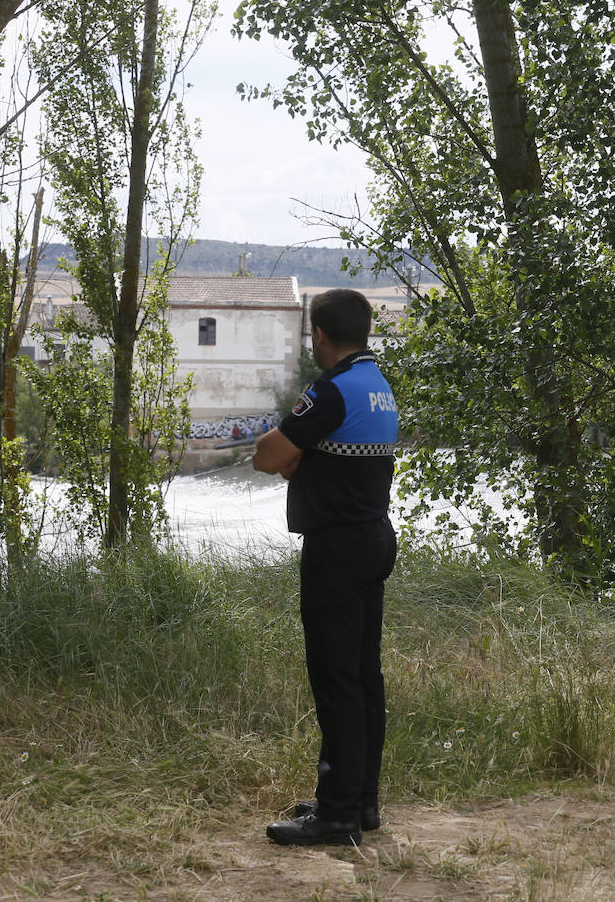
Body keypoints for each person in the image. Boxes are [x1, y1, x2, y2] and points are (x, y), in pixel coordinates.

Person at [253, 288, 399, 846]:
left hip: (336, 549)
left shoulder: (332, 390)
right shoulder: (379, 386)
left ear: (319, 335)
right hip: (372, 539)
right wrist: (305, 459)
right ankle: (361, 803)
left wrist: (293, 457)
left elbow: (270, 455)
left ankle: (335, 814)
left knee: (336, 679)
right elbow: (323, 458)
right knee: (363, 678)